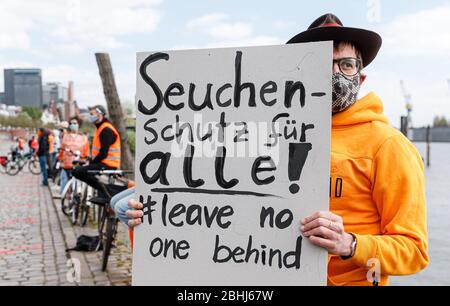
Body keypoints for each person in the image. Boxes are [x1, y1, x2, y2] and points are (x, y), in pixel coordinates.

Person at [125, 13, 429, 286]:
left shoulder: (388, 145)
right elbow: (214, 201)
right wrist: (155, 212)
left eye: (346, 64)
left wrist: (351, 244)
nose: (334, 72)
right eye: (321, 60)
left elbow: (414, 250)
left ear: (359, 77)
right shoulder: (261, 132)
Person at [72, 105, 121, 193]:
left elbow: (103, 153)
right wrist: (91, 159)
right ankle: (102, 190)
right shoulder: (101, 128)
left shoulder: (106, 129)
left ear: (99, 114)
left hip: (108, 164)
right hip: (104, 163)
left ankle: (105, 191)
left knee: (77, 171)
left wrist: (91, 163)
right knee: (80, 170)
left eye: (91, 114)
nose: (90, 116)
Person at [58, 117, 90, 194]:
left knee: (77, 186)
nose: (73, 125)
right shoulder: (65, 136)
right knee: (64, 184)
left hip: (78, 164)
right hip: (66, 165)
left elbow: (86, 151)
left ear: (78, 125)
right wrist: (60, 160)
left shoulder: (83, 137)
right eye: (71, 123)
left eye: (75, 123)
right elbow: (62, 149)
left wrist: (85, 159)